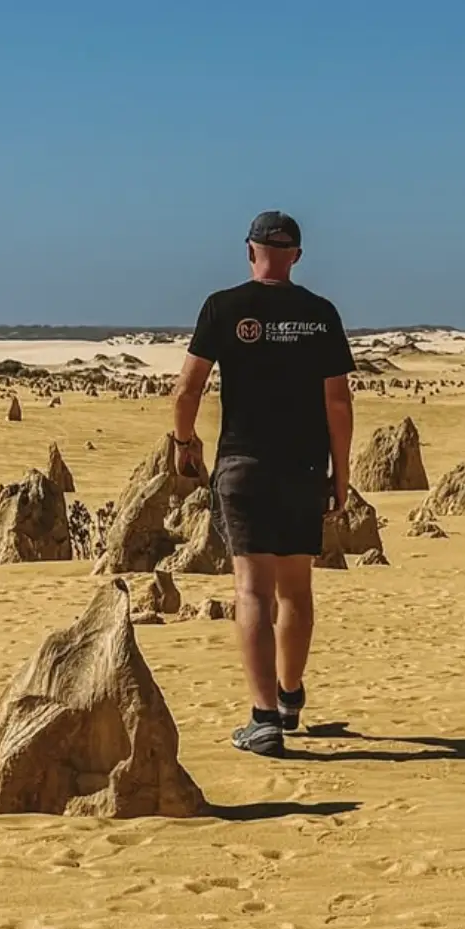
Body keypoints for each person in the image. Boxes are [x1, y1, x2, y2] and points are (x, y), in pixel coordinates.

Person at [170, 210, 355, 757]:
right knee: (296, 588)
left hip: (243, 465)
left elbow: (187, 390)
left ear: (250, 251)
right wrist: (340, 475)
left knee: (252, 590)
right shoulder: (320, 314)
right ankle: (290, 696)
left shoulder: (222, 307)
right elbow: (338, 402)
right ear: (296, 255)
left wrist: (185, 444)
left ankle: (264, 717)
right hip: (302, 466)